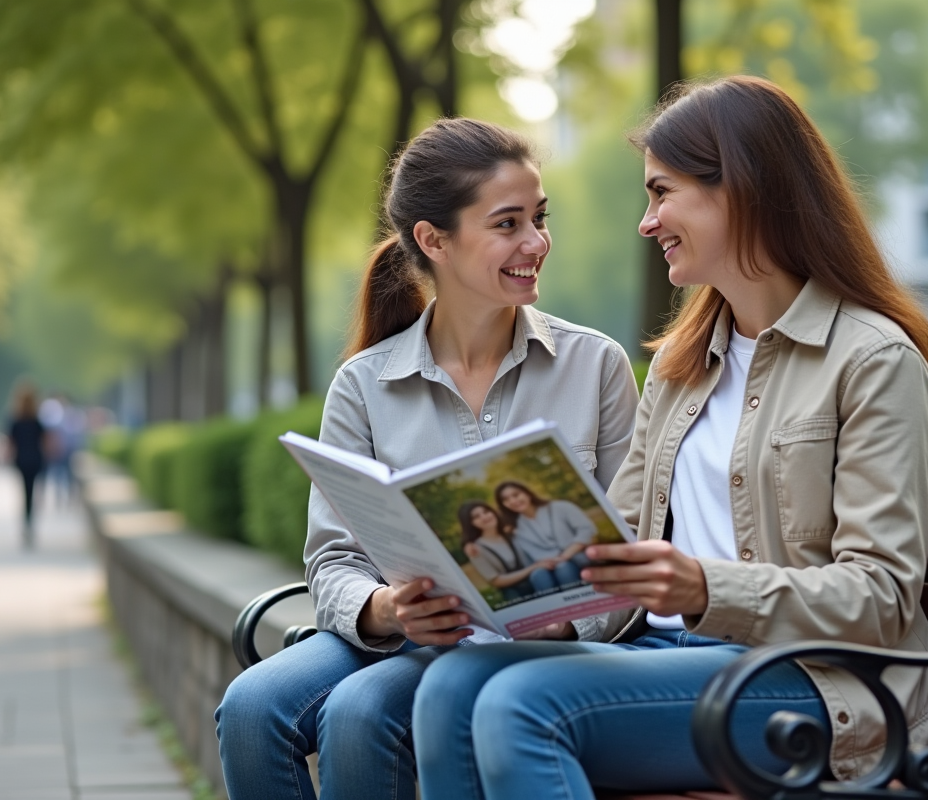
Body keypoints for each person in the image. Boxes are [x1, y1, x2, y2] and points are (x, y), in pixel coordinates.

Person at [408, 75, 928, 800]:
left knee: (522, 707)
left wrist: (703, 586)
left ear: (742, 190)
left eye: (662, 193)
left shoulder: (873, 362)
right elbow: (618, 545)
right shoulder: (682, 364)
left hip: (817, 687)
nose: (647, 220)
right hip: (669, 652)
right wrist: (524, 605)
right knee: (450, 686)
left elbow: (881, 597)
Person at [214, 118, 639, 800]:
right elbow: (331, 559)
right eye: (508, 224)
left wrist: (568, 618)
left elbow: (639, 543)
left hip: (542, 645)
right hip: (403, 634)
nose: (536, 243)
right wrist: (384, 608)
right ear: (433, 240)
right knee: (251, 706)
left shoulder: (595, 367)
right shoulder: (364, 382)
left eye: (539, 218)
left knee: (358, 715)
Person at [494, 481, 595, 587]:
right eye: (506, 500)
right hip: (544, 566)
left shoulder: (561, 507)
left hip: (575, 557)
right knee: (537, 575)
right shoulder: (515, 528)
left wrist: (565, 555)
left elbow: (586, 530)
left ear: (527, 493)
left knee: (563, 568)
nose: (513, 501)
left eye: (516, 495)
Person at [458, 501, 556, 601]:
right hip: (516, 595)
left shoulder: (511, 533)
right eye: (476, 517)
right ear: (470, 523)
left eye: (486, 512)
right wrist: (532, 568)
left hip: (539, 579)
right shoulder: (475, 550)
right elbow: (496, 581)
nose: (484, 517)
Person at [8, 382, 46, 547]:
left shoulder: (15, 421)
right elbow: (45, 442)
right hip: (36, 459)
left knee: (25, 491)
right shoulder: (37, 421)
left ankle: (26, 520)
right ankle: (30, 521)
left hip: (21, 460)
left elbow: (11, 444)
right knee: (33, 491)